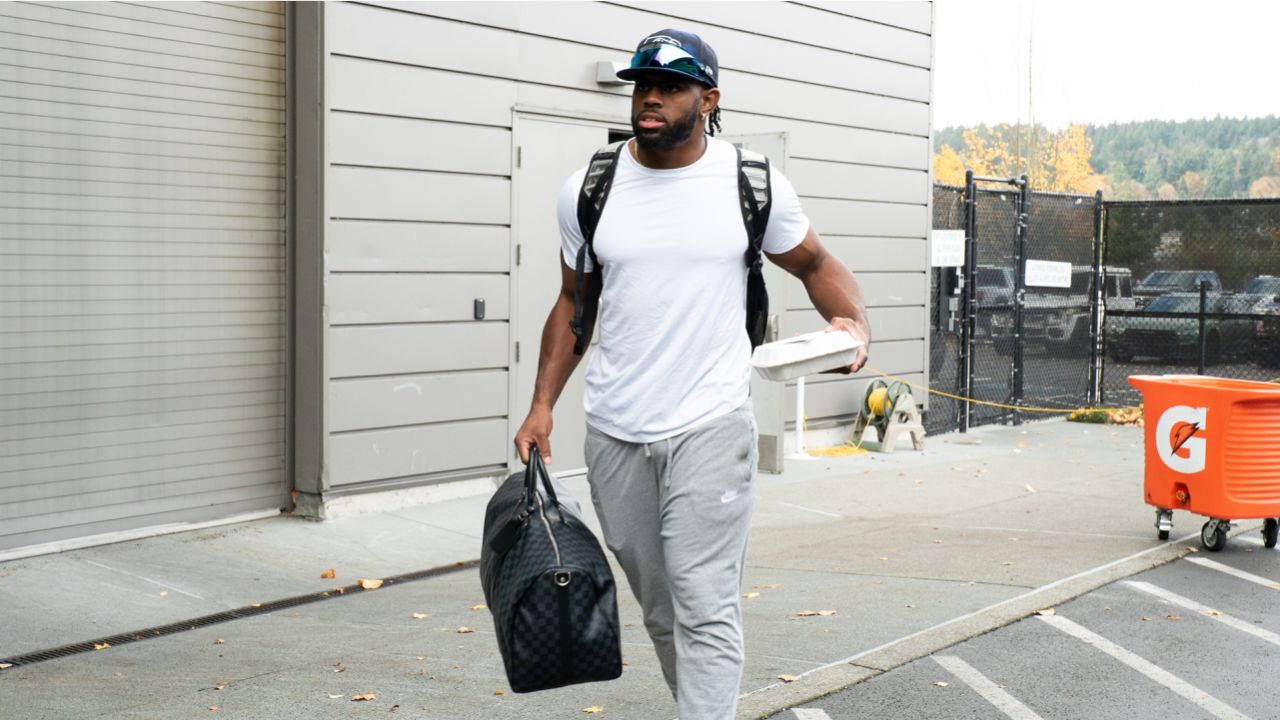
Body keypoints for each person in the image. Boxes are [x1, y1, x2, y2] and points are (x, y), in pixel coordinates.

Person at [513, 28, 870, 719]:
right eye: (642, 83)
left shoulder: (750, 183)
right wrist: (541, 407)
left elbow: (817, 265)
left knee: (703, 601)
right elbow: (573, 303)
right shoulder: (590, 188)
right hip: (615, 430)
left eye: (670, 86)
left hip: (711, 422)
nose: (650, 96)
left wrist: (851, 322)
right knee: (661, 606)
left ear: (708, 99)